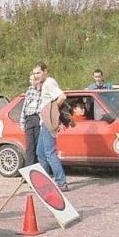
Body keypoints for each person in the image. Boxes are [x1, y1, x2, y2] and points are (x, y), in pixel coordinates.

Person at [33, 62, 69, 191]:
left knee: (49, 153)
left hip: (48, 122)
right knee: (40, 153)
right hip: (44, 123)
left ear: (45, 71)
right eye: (35, 73)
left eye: (38, 72)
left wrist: (53, 111)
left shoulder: (49, 83)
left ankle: (61, 182)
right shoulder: (43, 85)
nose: (36, 75)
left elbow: (62, 97)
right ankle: (44, 182)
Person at [19, 72, 42, 166]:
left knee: (37, 146)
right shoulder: (29, 90)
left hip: (37, 118)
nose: (30, 81)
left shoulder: (42, 90)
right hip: (29, 119)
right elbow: (25, 106)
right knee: (29, 147)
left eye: (32, 80)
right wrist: (22, 121)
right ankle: (28, 171)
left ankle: (38, 170)